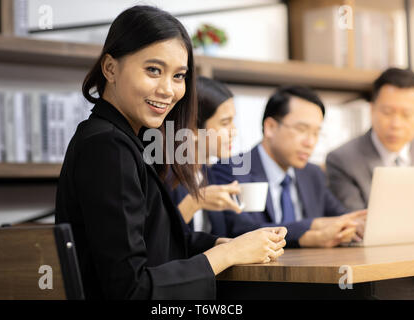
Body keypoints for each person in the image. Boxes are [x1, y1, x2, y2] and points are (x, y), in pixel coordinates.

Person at [55, 6, 286, 300]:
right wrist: (227, 255)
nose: (168, 89)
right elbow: (129, 290)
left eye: (179, 76)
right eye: (153, 70)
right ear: (110, 68)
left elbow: (156, 243)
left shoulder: (125, 141)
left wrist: (220, 245)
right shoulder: (108, 146)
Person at [212, 86, 366, 248]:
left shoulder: (311, 174)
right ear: (270, 127)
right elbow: (243, 230)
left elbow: (339, 217)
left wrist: (356, 225)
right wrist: (312, 229)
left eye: (316, 133)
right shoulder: (236, 169)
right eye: (302, 130)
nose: (310, 142)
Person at [326, 68, 414, 211]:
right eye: (387, 112)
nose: (396, 124)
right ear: (371, 110)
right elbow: (355, 223)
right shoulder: (343, 160)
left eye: (407, 114)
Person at [167, 76, 243, 236]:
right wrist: (195, 202)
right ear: (193, 129)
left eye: (233, 122)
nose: (233, 132)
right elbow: (158, 242)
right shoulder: (165, 176)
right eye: (224, 123)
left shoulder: (207, 173)